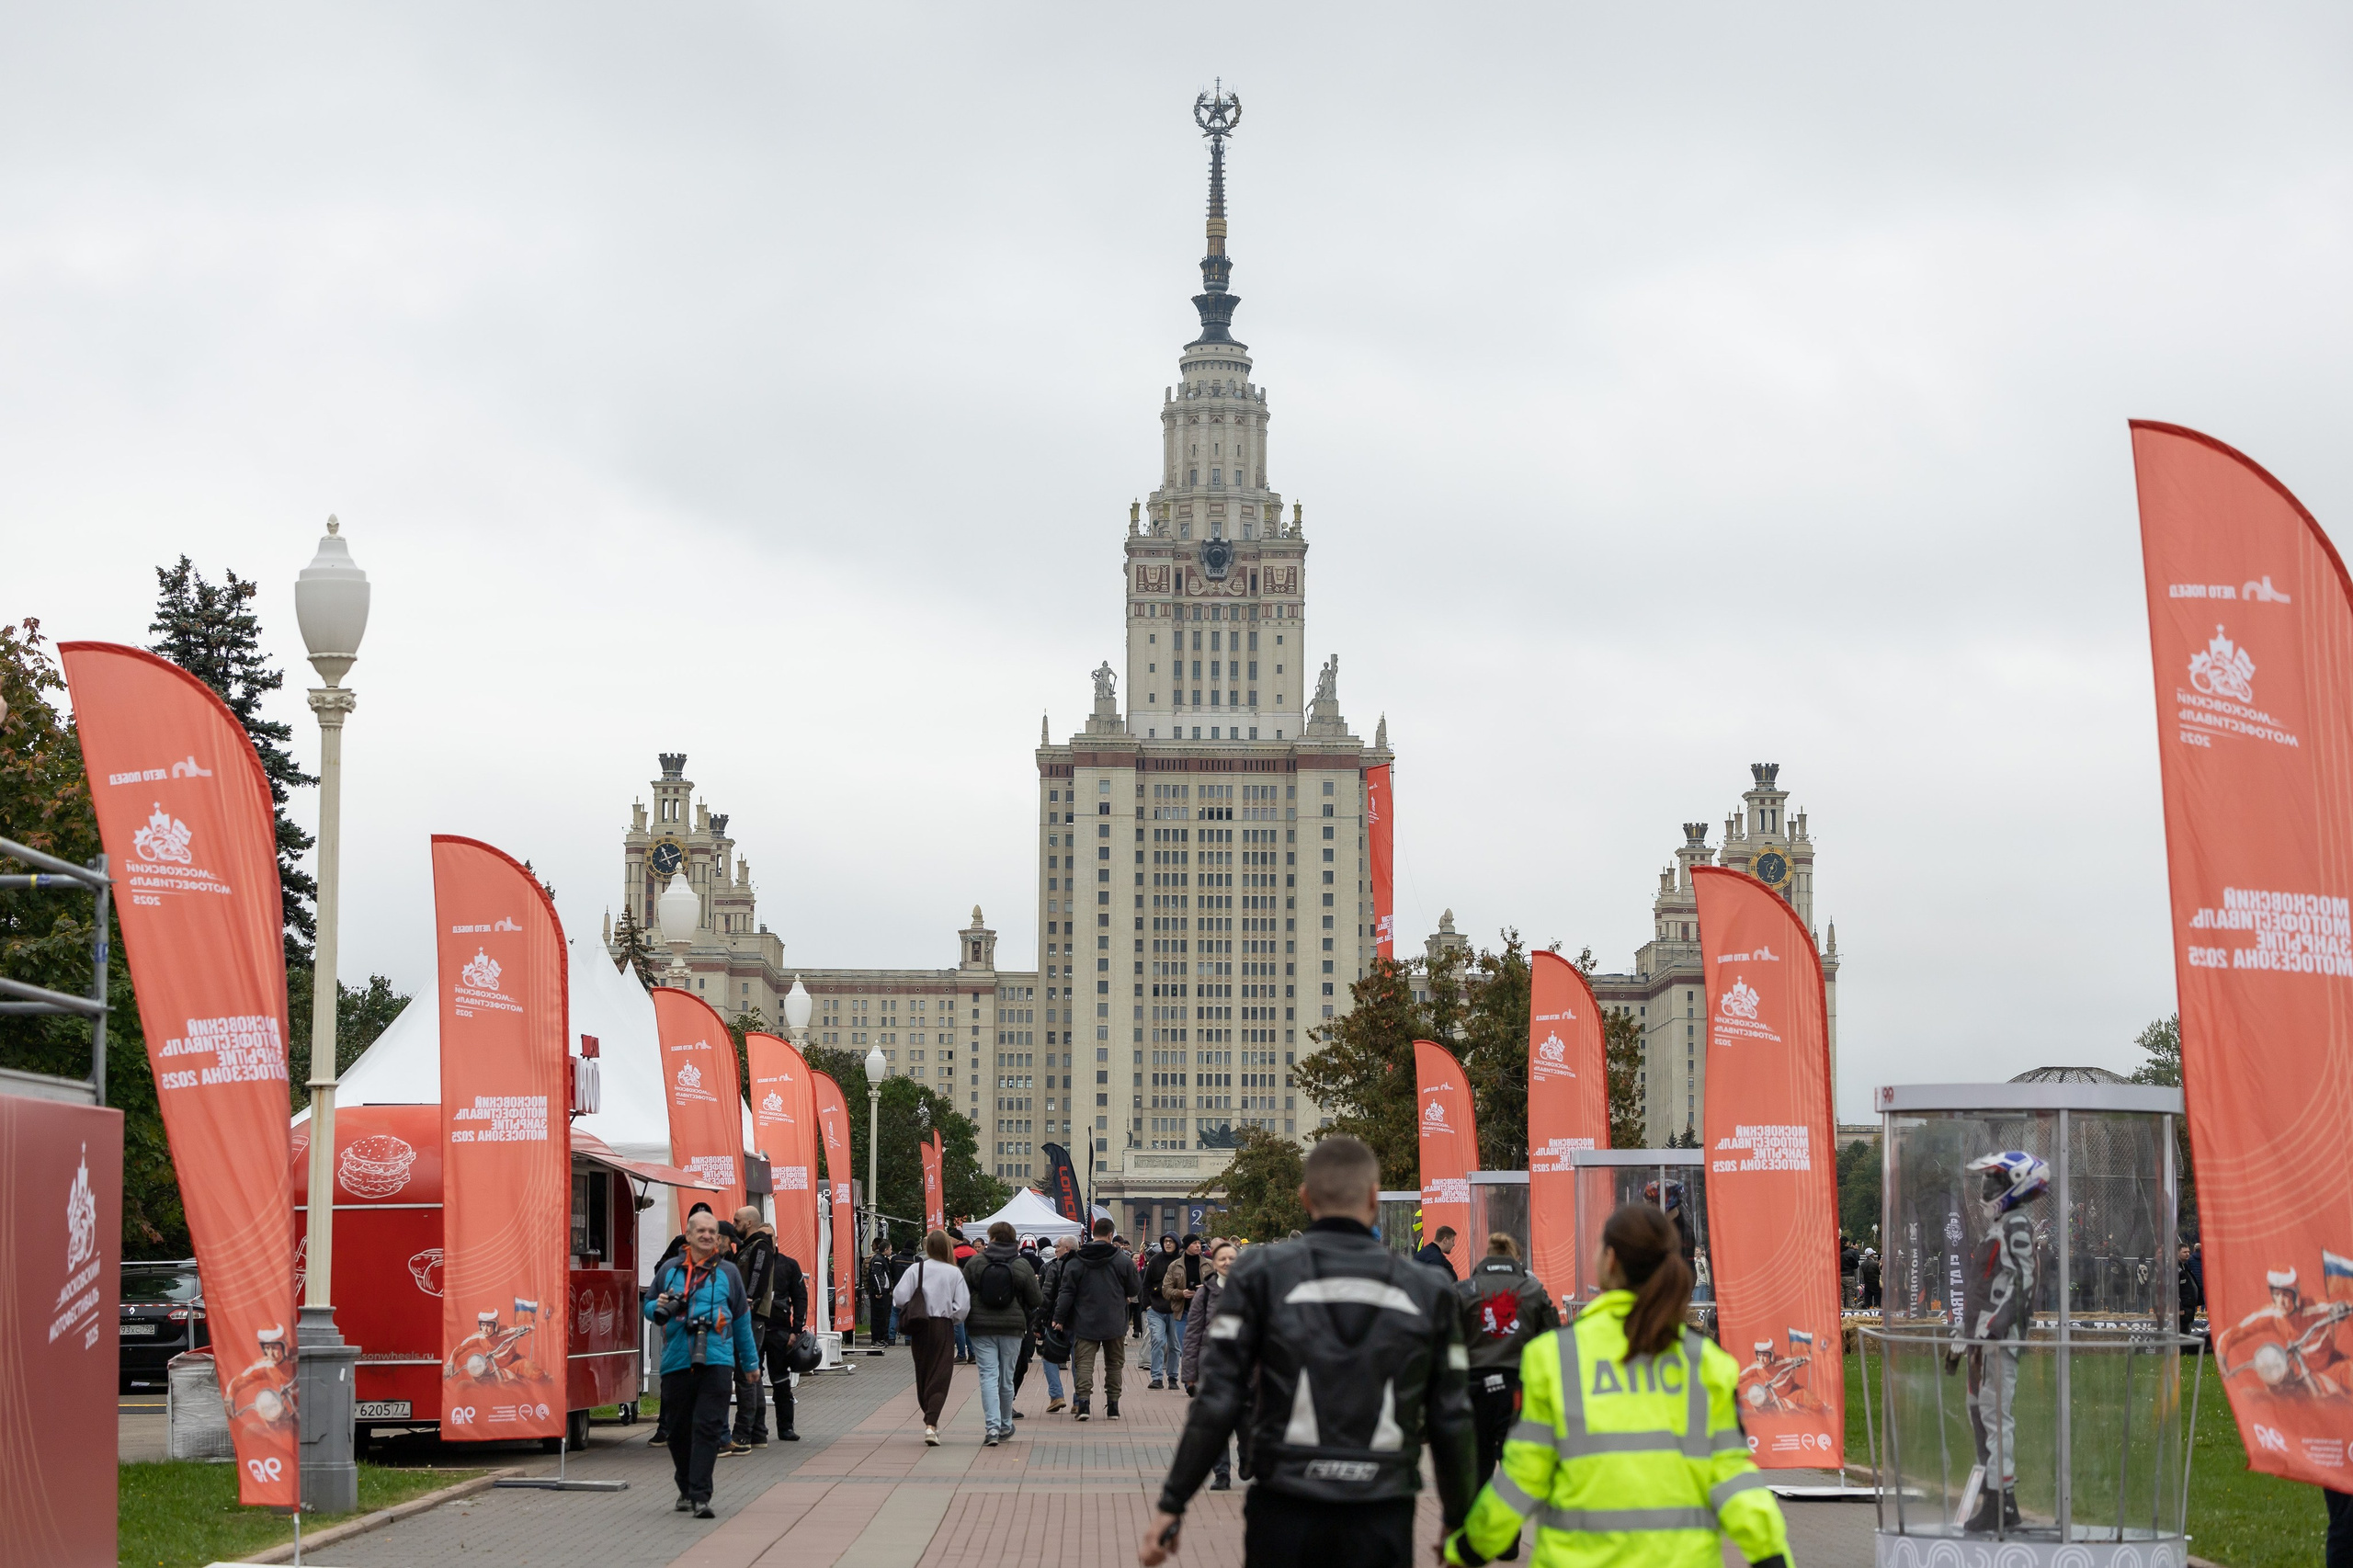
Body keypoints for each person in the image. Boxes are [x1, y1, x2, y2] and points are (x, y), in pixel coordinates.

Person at [1142, 1136, 1473, 1568]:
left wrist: (1173, 1502)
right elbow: (1453, 1415)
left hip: (1285, 1505)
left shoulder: (1259, 1276)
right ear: (1374, 1198)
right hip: (1381, 1508)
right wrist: (1458, 1517)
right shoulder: (1429, 1289)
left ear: (1305, 1197)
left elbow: (1218, 1396)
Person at [1439, 1201, 1791, 1568]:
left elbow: (1521, 1480)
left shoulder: (1555, 1357)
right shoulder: (1706, 1363)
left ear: (1609, 1261)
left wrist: (1467, 1549)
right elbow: (1733, 1479)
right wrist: (1771, 1558)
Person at [1949, 1150, 2049, 1536]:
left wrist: (1996, 1327)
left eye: (1994, 1179)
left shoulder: (2017, 1224)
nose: (1986, 1185)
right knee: (1979, 1413)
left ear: (2016, 1185)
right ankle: (1995, 1499)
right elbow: (1981, 1289)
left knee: (1994, 1416)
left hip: (1997, 1341)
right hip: (1980, 1340)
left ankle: (2001, 1501)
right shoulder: (2002, 1224)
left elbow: (2024, 1282)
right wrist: (1961, 1337)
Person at [642, 1208, 760, 1518]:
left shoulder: (729, 1274)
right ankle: (685, 1486)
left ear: (718, 1238)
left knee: (708, 1427)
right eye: (701, 1231)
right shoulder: (669, 1270)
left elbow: (741, 1321)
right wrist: (660, 1305)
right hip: (678, 1358)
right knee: (679, 1431)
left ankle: (701, 1496)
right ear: (689, 1235)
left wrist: (750, 1364)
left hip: (717, 1358)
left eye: (713, 1232)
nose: (708, 1236)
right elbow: (649, 1308)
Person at [1457, 1231, 1559, 1552]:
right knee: (1514, 1465)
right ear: (1516, 1257)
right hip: (1519, 1389)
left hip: (1473, 1388)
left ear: (1487, 1254)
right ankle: (1509, 1540)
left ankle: (1480, 1536)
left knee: (1478, 1463)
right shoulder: (1533, 1290)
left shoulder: (1463, 1290)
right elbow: (1553, 1339)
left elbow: (1446, 1341)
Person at [728, 1206, 806, 1450]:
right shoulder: (748, 1254)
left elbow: (800, 1297)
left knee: (781, 1380)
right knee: (755, 1377)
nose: (766, 1242)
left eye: (770, 1238)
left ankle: (786, 1427)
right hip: (760, 1323)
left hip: (779, 1329)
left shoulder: (787, 1264)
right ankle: (758, 1430)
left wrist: (797, 1329)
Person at [964, 1220, 1045, 1446]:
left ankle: (991, 1428)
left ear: (991, 1238)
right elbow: (1036, 1299)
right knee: (1006, 1379)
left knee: (988, 1376)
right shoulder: (1021, 1265)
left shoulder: (976, 1262)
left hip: (981, 1328)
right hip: (1012, 1328)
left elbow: (963, 1291)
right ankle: (1005, 1424)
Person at [1054, 1216, 1140, 1421]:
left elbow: (1066, 1292)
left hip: (1084, 1320)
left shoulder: (1076, 1261)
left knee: (1083, 1364)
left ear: (1094, 1234)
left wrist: (1059, 1317)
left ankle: (1083, 1404)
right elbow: (1134, 1289)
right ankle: (1113, 1406)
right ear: (1111, 1235)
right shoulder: (1123, 1260)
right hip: (1115, 1320)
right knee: (1114, 1364)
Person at [892, 1227, 972, 1446]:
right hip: (942, 1325)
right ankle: (931, 1423)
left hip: (919, 1325)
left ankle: (929, 1416)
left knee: (924, 1371)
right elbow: (963, 1306)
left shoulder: (916, 1269)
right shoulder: (954, 1272)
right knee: (941, 1373)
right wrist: (952, 1318)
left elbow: (898, 1298)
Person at [1178, 1240, 1242, 1491]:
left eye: (1232, 1258)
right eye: (1222, 1259)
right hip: (1212, 1365)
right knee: (1216, 1422)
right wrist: (1189, 1374)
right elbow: (1192, 1334)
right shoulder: (1204, 1294)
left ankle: (1247, 1457)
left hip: (1244, 1365)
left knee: (1246, 1420)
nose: (1227, 1263)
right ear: (1214, 1264)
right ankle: (1222, 1473)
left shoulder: (1250, 1289)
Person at [1032, 1234, 1077, 1413]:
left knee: (1049, 1357)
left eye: (1058, 1246)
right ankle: (1079, 1399)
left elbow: (1046, 1296)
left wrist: (1037, 1323)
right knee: (1079, 1361)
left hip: (1054, 1320)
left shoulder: (1051, 1267)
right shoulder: (1084, 1266)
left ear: (1067, 1248)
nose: (1055, 1249)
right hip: (1079, 1321)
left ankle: (1056, 1395)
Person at [1159, 1235, 1203, 1392]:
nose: (1198, 1246)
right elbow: (1166, 1290)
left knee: (1203, 1349)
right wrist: (1181, 1293)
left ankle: (1202, 1381)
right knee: (1186, 1349)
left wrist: (1203, 1289)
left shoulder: (1208, 1265)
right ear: (1186, 1246)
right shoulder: (1175, 1266)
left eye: (1199, 1243)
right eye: (1194, 1243)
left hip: (1204, 1313)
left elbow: (1217, 1286)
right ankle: (1190, 1383)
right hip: (1182, 1313)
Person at [1143, 1235, 1181, 1386]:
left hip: (1175, 1309)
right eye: (1165, 1241)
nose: (1168, 1244)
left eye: (1171, 1242)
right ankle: (1157, 1377)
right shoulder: (1155, 1260)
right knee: (1158, 1341)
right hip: (1156, 1308)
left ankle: (1172, 1377)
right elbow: (1145, 1284)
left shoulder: (1181, 1261)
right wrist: (1147, 1304)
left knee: (1174, 1345)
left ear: (1177, 1244)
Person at [865, 1239, 897, 1346]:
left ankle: (881, 1338)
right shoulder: (878, 1260)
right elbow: (875, 1275)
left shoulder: (883, 1259)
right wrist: (878, 1291)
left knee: (883, 1317)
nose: (891, 1251)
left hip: (884, 1292)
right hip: (879, 1293)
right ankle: (876, 1339)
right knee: (878, 1317)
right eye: (890, 1249)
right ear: (886, 1249)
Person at [2176, 1242, 2202, 1346]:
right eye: (2184, 1252)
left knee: (2187, 1329)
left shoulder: (2185, 1267)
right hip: (2184, 1306)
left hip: (2190, 1305)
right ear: (2178, 1253)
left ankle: (2183, 1349)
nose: (2187, 1254)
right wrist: (2179, 1307)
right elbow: (2175, 1290)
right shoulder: (2176, 1269)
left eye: (2188, 1252)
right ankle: (2181, 1350)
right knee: (2182, 1330)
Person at [1860, 1246, 1883, 1310]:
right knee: (1877, 1297)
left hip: (1867, 1283)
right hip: (1875, 1283)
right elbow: (1879, 1272)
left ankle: (1868, 1308)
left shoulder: (1863, 1264)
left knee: (1868, 1298)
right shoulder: (1875, 1264)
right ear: (1872, 1255)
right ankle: (1877, 1307)